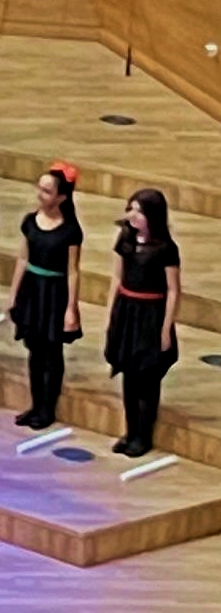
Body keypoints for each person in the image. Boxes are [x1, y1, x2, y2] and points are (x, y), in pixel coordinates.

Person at [107, 189, 185, 458]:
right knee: (129, 378)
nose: (132, 215)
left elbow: (173, 290)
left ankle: (144, 436)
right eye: (130, 208)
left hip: (151, 315)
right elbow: (117, 279)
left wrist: (166, 329)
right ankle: (129, 432)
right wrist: (111, 316)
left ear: (152, 215)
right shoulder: (125, 239)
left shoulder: (165, 248)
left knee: (147, 381)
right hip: (128, 311)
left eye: (138, 210)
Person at [9, 166, 84, 429]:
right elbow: (22, 258)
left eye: (47, 190)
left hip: (54, 293)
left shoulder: (70, 230)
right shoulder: (30, 221)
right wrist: (14, 294)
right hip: (32, 289)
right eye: (39, 188)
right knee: (34, 350)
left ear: (61, 197)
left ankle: (47, 408)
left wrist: (71, 308)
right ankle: (35, 403)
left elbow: (73, 271)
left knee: (52, 353)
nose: (40, 194)